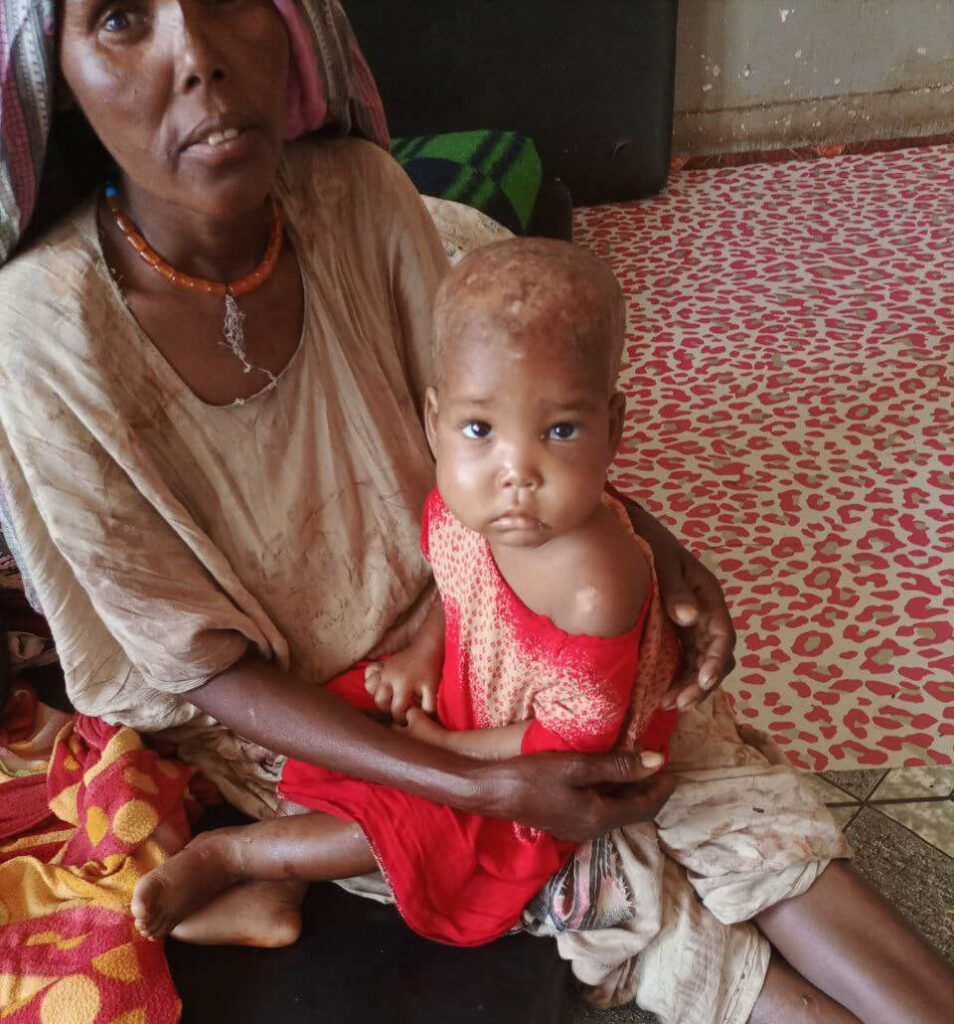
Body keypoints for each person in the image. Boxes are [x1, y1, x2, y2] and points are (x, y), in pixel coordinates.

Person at [0, 2, 950, 1023]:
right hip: (327, 718)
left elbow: (498, 431)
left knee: (732, 808)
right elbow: (205, 667)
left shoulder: (357, 199)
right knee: (624, 897)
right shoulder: (44, 340)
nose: (197, 57)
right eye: (121, 18)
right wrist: (483, 785)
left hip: (487, 609)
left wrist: (652, 546)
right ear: (50, 77)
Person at [130, 237, 683, 948]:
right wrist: (423, 658)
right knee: (345, 721)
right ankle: (284, 885)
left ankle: (236, 855)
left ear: (614, 430)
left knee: (414, 818)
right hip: (467, 699)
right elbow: (458, 594)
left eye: (561, 430)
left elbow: (571, 744)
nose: (517, 472)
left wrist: (453, 749)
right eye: (480, 429)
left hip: (539, 766)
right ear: (434, 421)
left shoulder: (595, 585)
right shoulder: (462, 505)